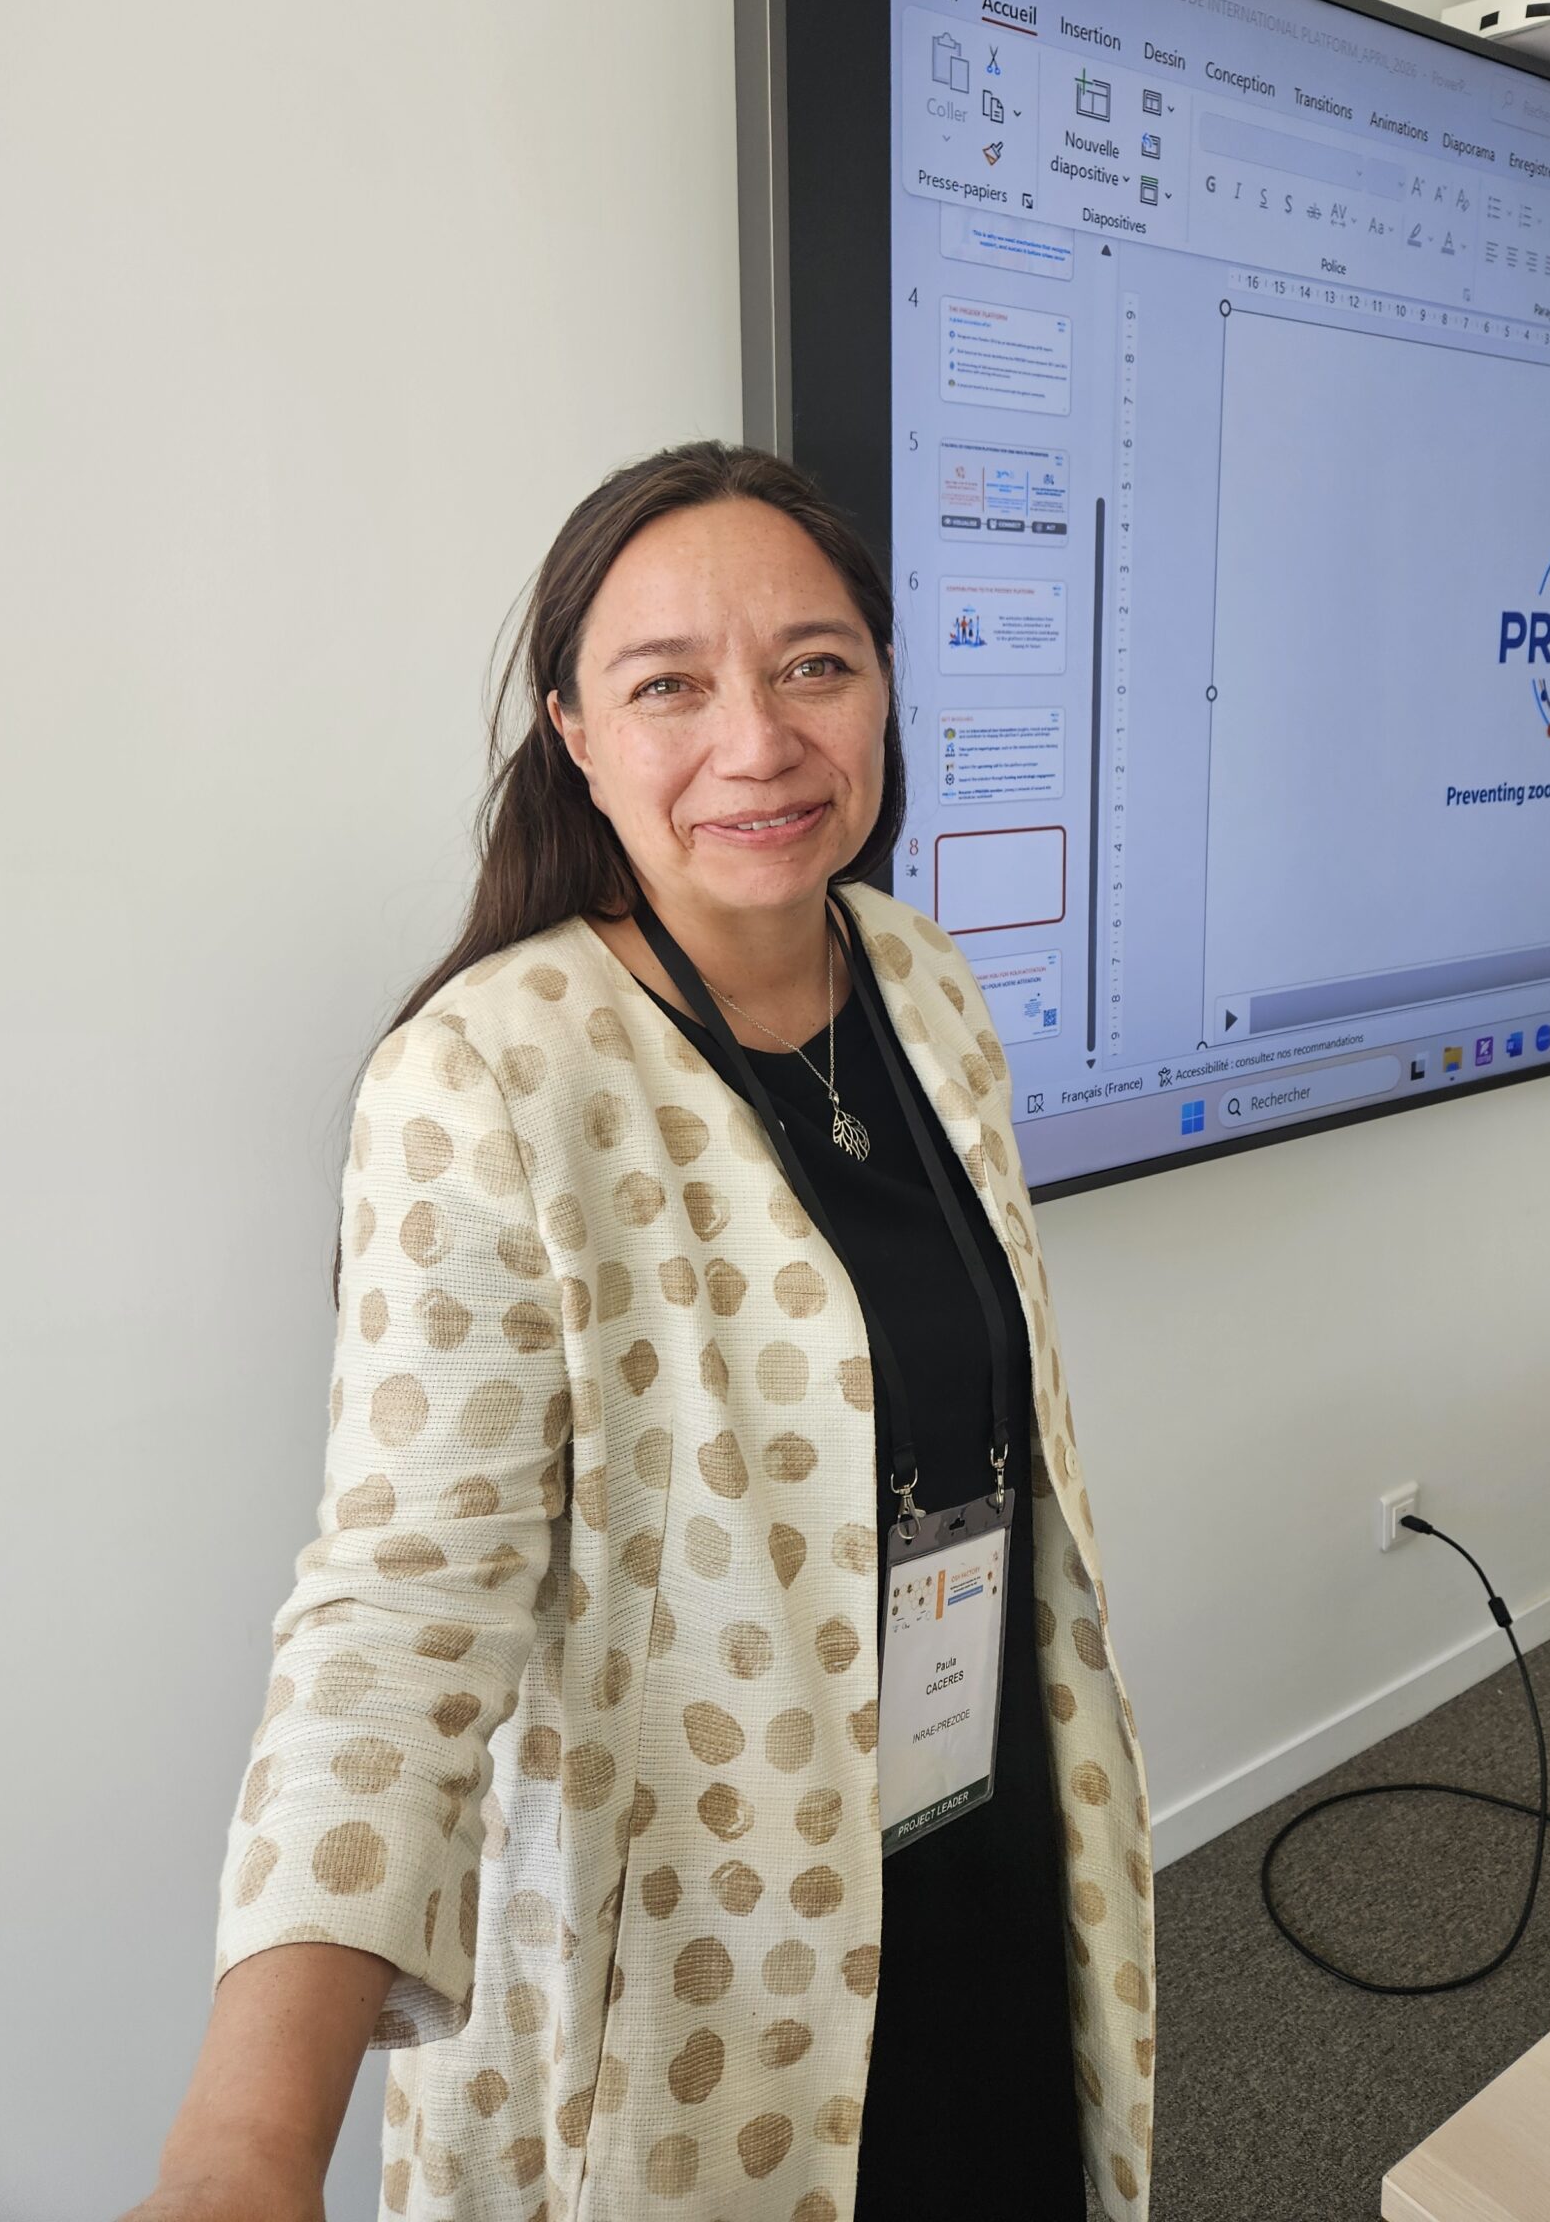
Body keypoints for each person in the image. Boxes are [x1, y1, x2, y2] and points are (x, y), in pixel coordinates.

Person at [125, 443, 1155, 2222]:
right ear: (575, 735)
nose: (758, 742)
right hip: (696, 1957)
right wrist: (243, 2150)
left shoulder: (923, 985)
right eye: (669, 685)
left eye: (815, 665)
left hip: (973, 1833)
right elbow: (399, 1610)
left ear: (883, 687)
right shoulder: (491, 1074)